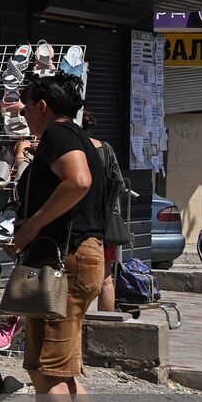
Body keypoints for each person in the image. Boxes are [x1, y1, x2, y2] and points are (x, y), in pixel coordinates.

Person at [8, 74, 117, 402]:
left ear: (40, 105)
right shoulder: (79, 138)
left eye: (25, 106)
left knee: (47, 371)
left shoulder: (58, 135)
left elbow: (79, 181)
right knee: (62, 369)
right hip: (77, 258)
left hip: (62, 261)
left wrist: (32, 225)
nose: (23, 116)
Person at [79, 111, 129, 313]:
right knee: (106, 278)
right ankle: (105, 323)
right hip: (105, 220)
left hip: (79, 220)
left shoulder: (71, 148)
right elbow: (118, 182)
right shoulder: (105, 148)